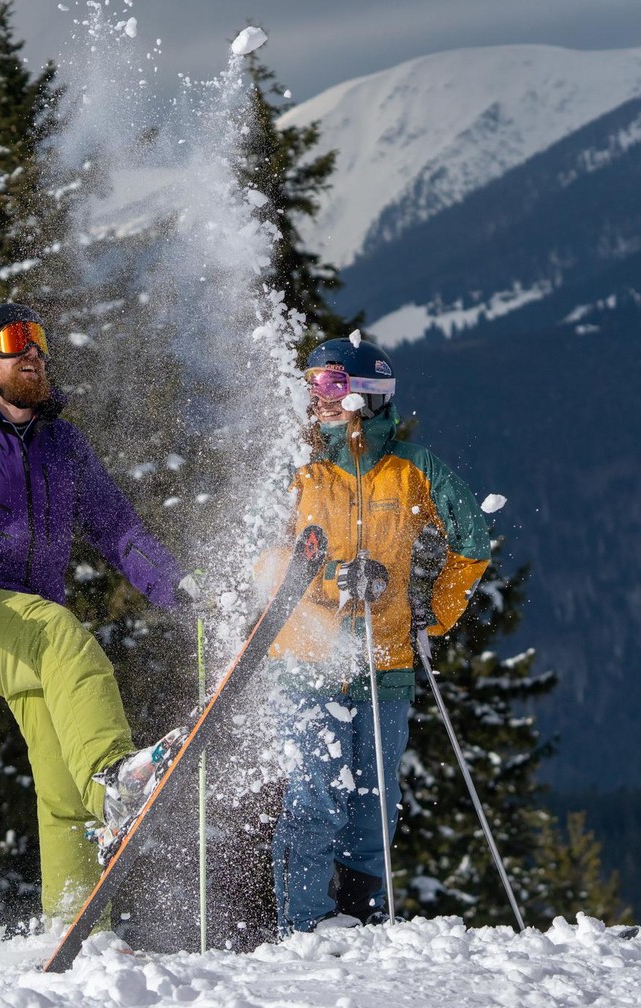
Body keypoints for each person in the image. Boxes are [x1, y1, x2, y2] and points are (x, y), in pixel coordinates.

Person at [0, 302, 187, 920]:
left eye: (39, 341)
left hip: (32, 628)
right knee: (62, 633)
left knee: (61, 787)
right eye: (16, 341)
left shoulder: (62, 445)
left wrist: (177, 588)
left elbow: (117, 528)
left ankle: (79, 925)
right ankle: (113, 774)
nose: (34, 352)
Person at [265, 336, 491, 935]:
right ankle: (304, 932)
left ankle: (362, 927)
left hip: (386, 667)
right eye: (312, 384)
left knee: (373, 809)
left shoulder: (414, 471)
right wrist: (329, 583)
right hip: (308, 662)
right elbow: (263, 561)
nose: (318, 397)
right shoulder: (302, 472)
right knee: (314, 802)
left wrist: (430, 614)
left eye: (331, 384)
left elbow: (472, 544)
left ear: (367, 392)